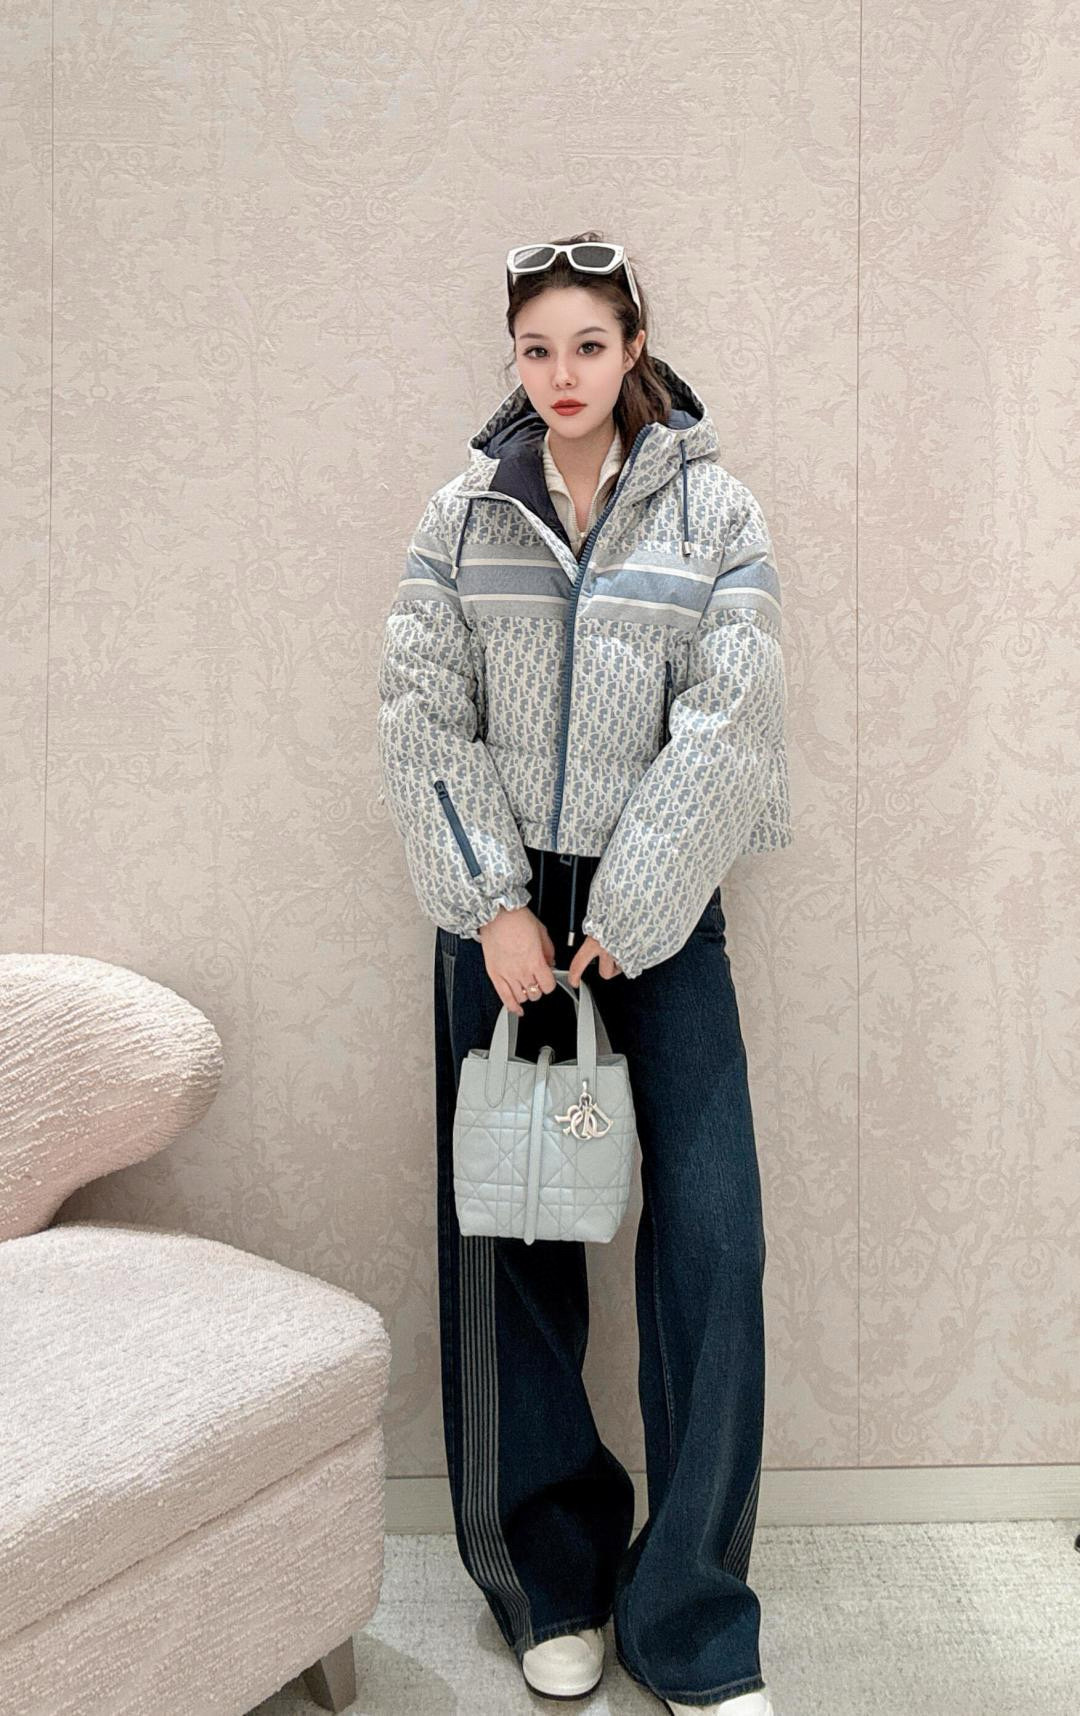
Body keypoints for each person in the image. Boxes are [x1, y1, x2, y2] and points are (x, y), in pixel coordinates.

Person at [376, 232, 792, 1716]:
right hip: (499, 916)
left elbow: (732, 724)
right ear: (514, 358)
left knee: (713, 1242)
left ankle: (691, 1619)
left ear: (634, 348)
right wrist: (495, 905)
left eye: (589, 346)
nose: (562, 375)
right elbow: (421, 715)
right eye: (537, 349)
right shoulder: (464, 516)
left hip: (657, 911)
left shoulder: (716, 511)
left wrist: (638, 900)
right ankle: (551, 1579)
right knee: (514, 1239)